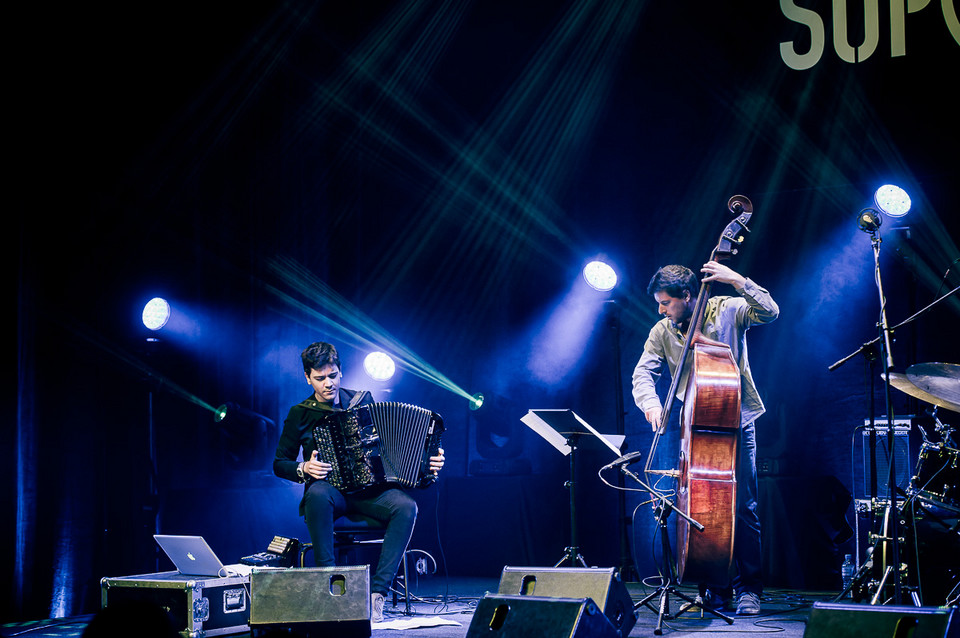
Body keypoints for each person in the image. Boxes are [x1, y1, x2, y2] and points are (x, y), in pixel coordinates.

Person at [631, 261, 778, 616]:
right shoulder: (662, 330)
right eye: (659, 304)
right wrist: (651, 406)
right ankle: (713, 586)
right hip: (692, 424)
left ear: (687, 295)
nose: (661, 310)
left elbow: (769, 312)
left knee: (742, 507)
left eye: (666, 303)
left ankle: (749, 589)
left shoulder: (727, 308)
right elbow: (642, 373)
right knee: (700, 506)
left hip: (735, 422)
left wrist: (738, 280)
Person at [274, 341, 445, 623]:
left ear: (340, 372)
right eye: (320, 378)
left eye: (332, 376)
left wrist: (427, 462)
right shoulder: (300, 413)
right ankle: (330, 587)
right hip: (331, 493)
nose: (328, 384)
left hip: (368, 493)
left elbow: (392, 451)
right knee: (317, 494)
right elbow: (279, 464)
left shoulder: (362, 401)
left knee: (406, 507)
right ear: (308, 378)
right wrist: (304, 467)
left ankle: (378, 595)